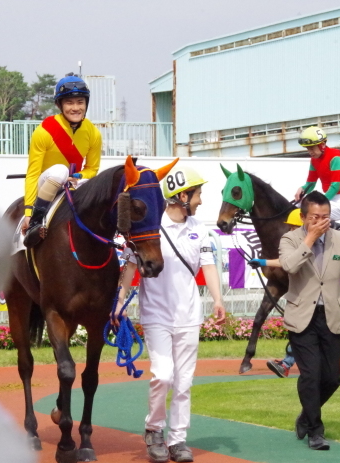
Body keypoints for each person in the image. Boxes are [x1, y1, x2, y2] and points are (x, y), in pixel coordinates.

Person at [116, 165, 226, 463]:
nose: (201, 201)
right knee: (163, 376)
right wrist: (120, 299)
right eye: (198, 194)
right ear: (181, 196)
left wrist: (218, 299)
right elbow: (129, 264)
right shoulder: (152, 224)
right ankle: (154, 429)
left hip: (190, 315)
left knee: (185, 382)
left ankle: (178, 440)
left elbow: (209, 266)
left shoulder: (199, 229)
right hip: (156, 315)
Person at [280, 191, 340, 450]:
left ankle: (306, 415)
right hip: (302, 318)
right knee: (311, 374)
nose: (322, 222)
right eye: (315, 217)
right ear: (303, 217)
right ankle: (315, 431)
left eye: (326, 217)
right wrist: (309, 239)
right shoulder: (290, 239)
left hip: (331, 316)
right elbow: (289, 266)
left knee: (332, 378)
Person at [22, 73, 102, 247]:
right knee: (60, 171)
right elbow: (33, 173)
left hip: (73, 184)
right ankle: (36, 221)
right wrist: (28, 211)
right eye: (69, 103)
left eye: (80, 102)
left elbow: (92, 169)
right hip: (46, 183)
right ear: (60, 105)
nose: (75, 108)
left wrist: (78, 177)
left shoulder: (93, 133)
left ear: (86, 104)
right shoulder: (44, 130)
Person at [264, 208, 302, 378]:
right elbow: (285, 261)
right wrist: (263, 261)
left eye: (294, 228)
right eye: (290, 228)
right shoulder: (294, 245)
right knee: (297, 330)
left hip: (315, 299)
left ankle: (287, 363)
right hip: (302, 299)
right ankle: (286, 364)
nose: (290, 231)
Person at [293, 126, 340, 221]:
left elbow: (335, 186)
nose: (310, 152)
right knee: (293, 207)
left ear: (322, 145)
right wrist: (302, 189)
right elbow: (310, 184)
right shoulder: (314, 160)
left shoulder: (336, 157)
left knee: (310, 215)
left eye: (312, 148)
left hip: (339, 201)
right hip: (327, 200)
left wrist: (320, 201)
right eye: (308, 149)